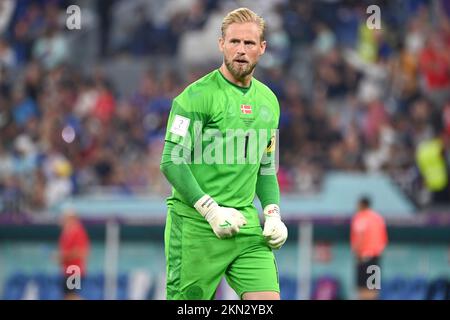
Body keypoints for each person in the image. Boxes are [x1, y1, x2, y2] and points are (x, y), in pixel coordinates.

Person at [160, 7, 288, 300]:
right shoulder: (195, 97)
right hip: (196, 225)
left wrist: (272, 213)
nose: (241, 50)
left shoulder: (269, 101)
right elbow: (171, 160)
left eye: (249, 43)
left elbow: (266, 167)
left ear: (262, 48)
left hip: (245, 224)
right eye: (234, 42)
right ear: (221, 44)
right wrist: (211, 210)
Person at [350, 196, 388, 300]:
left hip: (364, 257)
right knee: (373, 288)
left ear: (362, 205)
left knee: (363, 289)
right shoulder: (378, 218)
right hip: (376, 257)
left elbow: (360, 236)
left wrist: (357, 254)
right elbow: (384, 240)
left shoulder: (361, 217)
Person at [57, 209, 90, 300]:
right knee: (68, 295)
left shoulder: (78, 232)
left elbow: (80, 252)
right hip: (68, 270)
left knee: (71, 295)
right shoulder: (66, 233)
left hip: (74, 270)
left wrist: (63, 257)